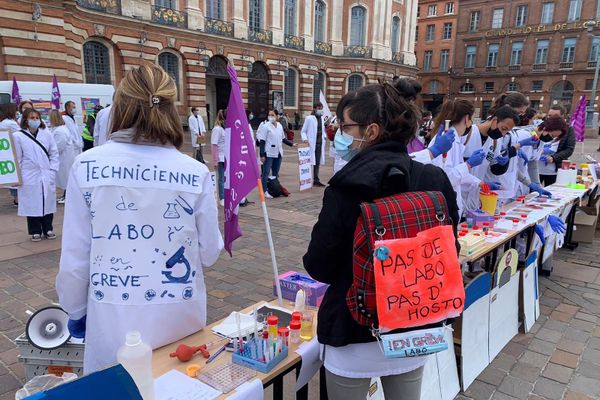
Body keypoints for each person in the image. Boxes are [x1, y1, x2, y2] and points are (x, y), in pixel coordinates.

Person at [56, 63, 223, 374]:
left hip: (113, 319)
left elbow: (75, 258)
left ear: (120, 107)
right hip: (177, 317)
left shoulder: (86, 166)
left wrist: (76, 310)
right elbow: (210, 253)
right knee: (178, 389)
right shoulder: (195, 172)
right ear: (171, 108)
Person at [303, 79, 459, 399]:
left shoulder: (346, 188)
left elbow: (319, 265)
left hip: (355, 332)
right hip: (415, 326)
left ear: (370, 131)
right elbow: (448, 250)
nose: (340, 135)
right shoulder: (433, 178)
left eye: (345, 127)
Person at [13, 108, 59, 241]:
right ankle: (35, 230)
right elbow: (18, 158)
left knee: (47, 201)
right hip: (29, 174)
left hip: (46, 172)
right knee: (32, 203)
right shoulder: (18, 136)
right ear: (25, 120)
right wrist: (18, 176)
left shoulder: (46, 133)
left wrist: (52, 170)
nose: (35, 120)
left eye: (37, 117)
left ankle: (48, 228)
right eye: (32, 118)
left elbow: (53, 152)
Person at [257, 109, 296, 198]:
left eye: (272, 115)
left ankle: (274, 188)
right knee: (266, 173)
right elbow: (262, 141)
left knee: (275, 173)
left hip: (278, 153)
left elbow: (283, 139)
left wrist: (292, 144)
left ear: (277, 116)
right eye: (269, 115)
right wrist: (262, 155)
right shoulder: (265, 126)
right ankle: (264, 191)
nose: (270, 117)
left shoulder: (279, 126)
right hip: (269, 153)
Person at [49, 109, 77, 204]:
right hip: (65, 158)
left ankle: (67, 197)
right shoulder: (60, 129)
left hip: (64, 158)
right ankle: (65, 196)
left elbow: (58, 147)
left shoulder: (60, 131)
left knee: (66, 178)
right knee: (66, 178)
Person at [537, 116, 570, 186]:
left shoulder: (562, 134)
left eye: (554, 137)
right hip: (536, 169)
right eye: (552, 135)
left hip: (551, 171)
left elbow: (569, 149)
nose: (552, 138)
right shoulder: (532, 134)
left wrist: (553, 158)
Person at [301, 103, 327, 187]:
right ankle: (307, 180)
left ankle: (316, 179)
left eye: (321, 108)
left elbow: (322, 130)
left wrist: (325, 136)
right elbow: (303, 131)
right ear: (314, 108)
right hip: (311, 144)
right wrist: (305, 139)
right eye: (319, 108)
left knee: (317, 162)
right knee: (309, 162)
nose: (320, 110)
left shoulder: (322, 119)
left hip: (319, 143)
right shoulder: (309, 118)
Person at [0, 103, 21, 206]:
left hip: (9, 152)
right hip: (14, 151)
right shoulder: (10, 123)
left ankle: (16, 198)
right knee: (17, 176)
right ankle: (18, 199)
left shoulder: (4, 122)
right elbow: (22, 134)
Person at [211, 109, 226, 206]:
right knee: (221, 178)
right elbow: (214, 145)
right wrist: (215, 161)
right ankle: (222, 197)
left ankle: (226, 195)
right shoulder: (217, 129)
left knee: (226, 178)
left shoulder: (225, 128)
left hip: (227, 157)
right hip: (220, 158)